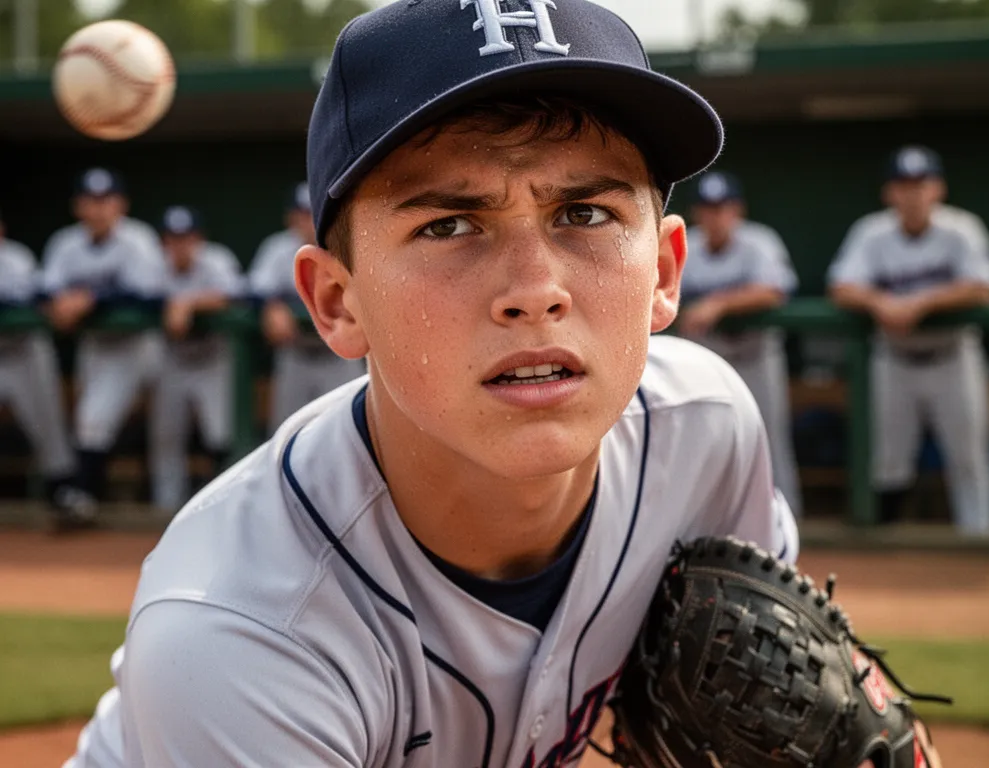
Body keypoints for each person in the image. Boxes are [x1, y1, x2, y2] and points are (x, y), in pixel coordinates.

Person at [65, 2, 831, 765]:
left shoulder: (705, 430)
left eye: (585, 213)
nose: (536, 289)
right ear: (337, 303)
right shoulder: (239, 632)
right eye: (449, 226)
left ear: (663, 273)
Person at [828, 145, 989, 536]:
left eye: (921, 184)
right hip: (895, 360)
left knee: (969, 459)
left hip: (952, 357)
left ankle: (980, 542)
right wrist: (880, 302)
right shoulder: (871, 232)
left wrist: (921, 302)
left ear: (938, 189)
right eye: (903, 185)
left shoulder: (962, 228)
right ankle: (885, 546)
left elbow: (986, 286)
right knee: (888, 461)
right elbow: (840, 287)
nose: (913, 194)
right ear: (889, 192)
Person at [40, 168, 165, 529]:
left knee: (101, 420)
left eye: (105, 200)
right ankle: (84, 497)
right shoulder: (65, 243)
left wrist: (90, 299)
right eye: (90, 201)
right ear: (77, 206)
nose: (98, 209)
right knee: (91, 421)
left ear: (120, 204)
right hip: (95, 346)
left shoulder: (138, 239)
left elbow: (149, 294)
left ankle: (83, 496)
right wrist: (58, 303)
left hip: (138, 347)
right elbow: (45, 287)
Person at [674, 171, 803, 517]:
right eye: (708, 208)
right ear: (697, 212)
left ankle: (784, 521)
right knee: (703, 442)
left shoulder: (759, 241)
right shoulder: (685, 244)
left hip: (755, 359)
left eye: (722, 208)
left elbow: (774, 291)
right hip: (706, 364)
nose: (715, 216)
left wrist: (718, 304)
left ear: (737, 210)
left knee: (769, 442)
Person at [148, 206, 245, 513]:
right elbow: (136, 297)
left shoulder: (216, 260)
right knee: (165, 437)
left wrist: (187, 303)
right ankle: (165, 508)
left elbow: (235, 294)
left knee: (219, 434)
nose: (180, 245)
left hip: (212, 360)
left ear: (198, 239)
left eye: (186, 238)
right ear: (164, 242)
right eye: (173, 239)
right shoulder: (154, 266)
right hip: (173, 361)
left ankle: (222, 506)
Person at [248, 182, 366, 430]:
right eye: (302, 215)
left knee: (350, 428)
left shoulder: (347, 242)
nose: (309, 222)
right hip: (296, 351)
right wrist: (272, 305)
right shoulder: (278, 248)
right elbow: (255, 288)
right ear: (291, 218)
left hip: (340, 354)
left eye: (314, 213)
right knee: (286, 430)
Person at [0, 210, 78, 513]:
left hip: (25, 352)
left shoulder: (16, 258)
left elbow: (35, 298)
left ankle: (63, 492)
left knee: (46, 424)